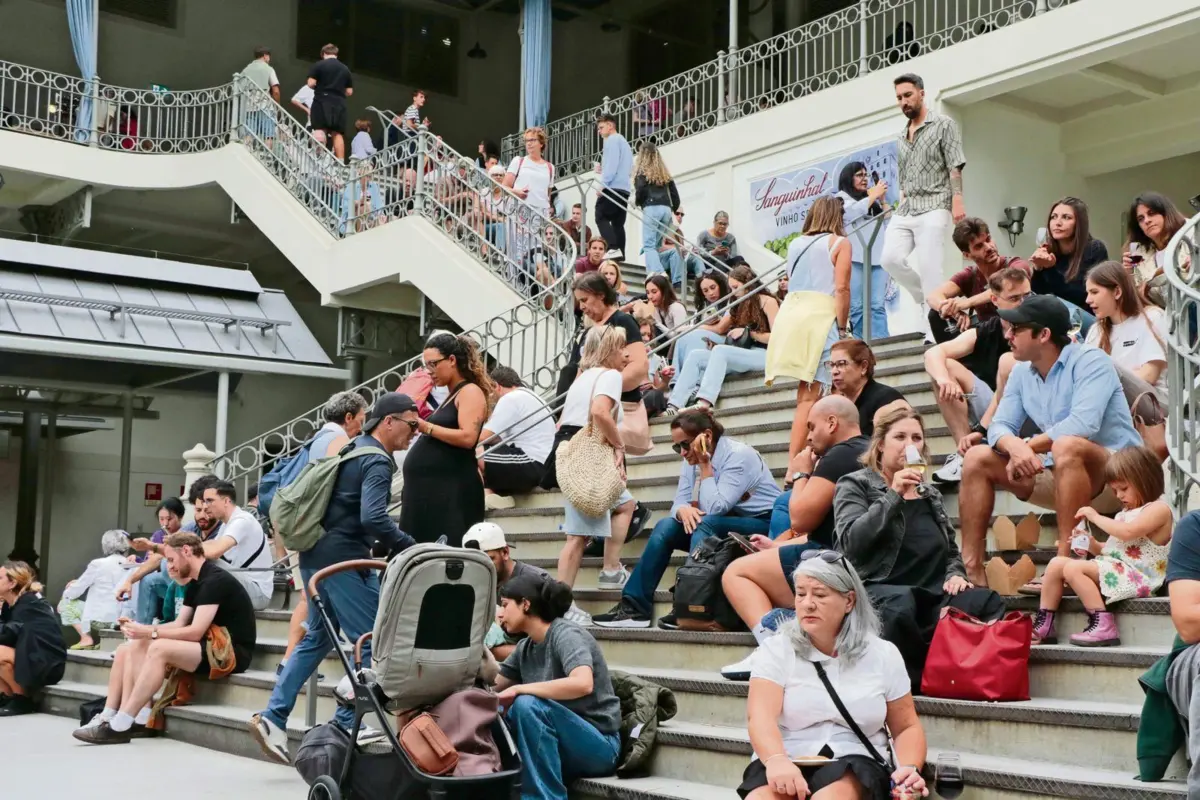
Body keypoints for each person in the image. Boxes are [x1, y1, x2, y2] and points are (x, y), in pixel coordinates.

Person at [250, 394, 419, 763]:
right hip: (342, 559)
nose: (414, 432)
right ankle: (346, 724)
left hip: (316, 552)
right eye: (412, 423)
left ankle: (274, 717)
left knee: (317, 637)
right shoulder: (376, 459)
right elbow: (374, 518)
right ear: (388, 421)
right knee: (374, 642)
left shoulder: (353, 447)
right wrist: (411, 546)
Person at [959, 296, 1142, 586]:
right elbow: (999, 426)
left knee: (1066, 445)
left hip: (1120, 477)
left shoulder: (1091, 360)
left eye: (1016, 329)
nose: (1007, 335)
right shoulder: (1020, 372)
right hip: (1062, 473)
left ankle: (1065, 562)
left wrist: (1026, 446)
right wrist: (1014, 447)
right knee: (976, 459)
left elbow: (1083, 425)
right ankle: (971, 571)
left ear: (1043, 334)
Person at [739, 553, 928, 800]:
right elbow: (760, 717)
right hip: (787, 755)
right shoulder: (777, 649)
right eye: (800, 593)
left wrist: (909, 769)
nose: (807, 604)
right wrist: (776, 760)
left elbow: (906, 727)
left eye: (819, 595)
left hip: (855, 760)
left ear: (849, 601)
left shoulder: (882, 654)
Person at [834, 408, 987, 690]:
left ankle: (952, 675)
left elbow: (950, 550)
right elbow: (852, 544)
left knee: (982, 601)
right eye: (900, 437)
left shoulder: (930, 494)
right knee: (902, 606)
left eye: (917, 438)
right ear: (880, 444)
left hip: (930, 591)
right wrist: (893, 495)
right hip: (881, 587)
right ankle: (907, 686)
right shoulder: (855, 484)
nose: (910, 444)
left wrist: (956, 574)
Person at [720, 396, 869, 678]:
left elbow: (800, 519)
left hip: (832, 563)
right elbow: (829, 530)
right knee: (763, 562)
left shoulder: (839, 455)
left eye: (812, 428)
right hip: (849, 554)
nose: (809, 437)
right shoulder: (869, 449)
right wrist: (777, 546)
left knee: (736, 573)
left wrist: (800, 472)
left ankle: (774, 650)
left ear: (832, 423)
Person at [593, 408, 780, 629]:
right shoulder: (690, 458)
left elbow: (715, 507)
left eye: (684, 444)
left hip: (762, 525)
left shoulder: (739, 456)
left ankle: (688, 603)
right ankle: (635, 608)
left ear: (707, 436)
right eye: (676, 446)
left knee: (706, 522)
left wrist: (704, 464)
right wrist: (683, 511)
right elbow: (679, 501)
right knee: (666, 527)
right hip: (721, 525)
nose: (682, 452)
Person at [72, 532, 256, 742]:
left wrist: (151, 632)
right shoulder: (197, 582)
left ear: (186, 551)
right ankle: (121, 716)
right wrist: (140, 629)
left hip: (230, 652)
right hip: (211, 645)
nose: (169, 566)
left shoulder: (214, 581)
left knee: (158, 648)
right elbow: (179, 624)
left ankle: (121, 724)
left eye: (171, 559)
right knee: (129, 647)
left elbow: (195, 631)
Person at [495, 573, 622, 800]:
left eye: (504, 605)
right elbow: (492, 687)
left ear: (525, 604)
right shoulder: (525, 647)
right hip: (561, 743)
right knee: (501, 711)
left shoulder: (566, 633)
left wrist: (520, 689)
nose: (500, 613)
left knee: (526, 705)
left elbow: (582, 683)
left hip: (601, 747)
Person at [1032, 445, 1171, 647]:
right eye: (1115, 490)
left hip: (1139, 577)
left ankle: (1103, 624)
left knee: (1072, 568)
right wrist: (1092, 544)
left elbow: (1128, 533)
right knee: (1056, 564)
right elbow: (1114, 550)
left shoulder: (1159, 509)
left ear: (1145, 479)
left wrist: (1095, 516)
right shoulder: (1125, 513)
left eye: (1124, 488)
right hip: (1118, 569)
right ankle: (1045, 623)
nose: (1119, 495)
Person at [556, 326, 636, 620]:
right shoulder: (610, 376)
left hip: (575, 448)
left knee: (625, 504)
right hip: (590, 452)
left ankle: (611, 569)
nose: (626, 355)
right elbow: (601, 412)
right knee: (577, 537)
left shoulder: (583, 377)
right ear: (609, 351)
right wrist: (619, 445)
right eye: (621, 348)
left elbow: (563, 421)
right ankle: (562, 605)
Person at [769, 197, 851, 464]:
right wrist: (841, 326)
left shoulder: (795, 244)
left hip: (792, 317)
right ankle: (827, 456)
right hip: (821, 317)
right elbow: (841, 289)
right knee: (836, 387)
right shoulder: (840, 243)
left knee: (805, 396)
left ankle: (794, 463)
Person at [880, 74, 966, 317]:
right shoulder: (901, 136)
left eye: (908, 95)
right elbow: (904, 174)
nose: (903, 102)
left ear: (922, 93)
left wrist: (957, 200)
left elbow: (954, 165)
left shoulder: (943, 124)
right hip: (907, 208)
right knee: (890, 259)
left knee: (930, 268)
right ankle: (925, 297)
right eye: (899, 98)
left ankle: (933, 328)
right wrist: (903, 200)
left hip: (936, 204)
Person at [401, 332, 491, 547]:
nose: (429, 371)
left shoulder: (469, 391)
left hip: (451, 493)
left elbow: (468, 438)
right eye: (426, 365)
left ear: (451, 360)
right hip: (433, 493)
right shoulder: (450, 395)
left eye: (433, 364)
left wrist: (425, 426)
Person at [667, 265, 779, 415]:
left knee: (720, 351)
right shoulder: (738, 303)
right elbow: (722, 329)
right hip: (745, 352)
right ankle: (673, 406)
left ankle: (704, 402)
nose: (733, 292)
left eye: (735, 287)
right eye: (731, 288)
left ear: (748, 283)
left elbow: (778, 338)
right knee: (696, 355)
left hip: (765, 354)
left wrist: (749, 333)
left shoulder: (768, 301)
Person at [119, 482, 218, 625]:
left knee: (166, 563)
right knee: (149, 580)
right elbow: (158, 557)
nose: (202, 515)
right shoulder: (189, 528)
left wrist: (154, 547)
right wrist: (129, 581)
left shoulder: (225, 529)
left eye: (207, 510)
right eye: (197, 510)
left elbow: (210, 553)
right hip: (177, 582)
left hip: (203, 583)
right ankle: (141, 626)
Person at [926, 217, 1033, 343]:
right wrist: (956, 312)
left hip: (1016, 334)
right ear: (967, 255)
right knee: (935, 314)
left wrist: (966, 303)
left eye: (988, 239)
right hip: (987, 338)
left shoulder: (1015, 264)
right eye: (978, 246)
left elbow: (1005, 287)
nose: (988, 247)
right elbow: (932, 296)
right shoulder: (970, 275)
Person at [465, 522, 549, 661]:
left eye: (488, 559)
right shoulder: (473, 582)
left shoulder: (537, 581)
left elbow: (550, 648)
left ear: (505, 552)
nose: (481, 567)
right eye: (474, 561)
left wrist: (491, 650)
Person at [480, 366, 556, 509]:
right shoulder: (532, 397)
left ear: (496, 386)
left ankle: (487, 494)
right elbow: (498, 438)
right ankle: (498, 495)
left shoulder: (510, 398)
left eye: (490, 392)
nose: (491, 398)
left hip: (532, 463)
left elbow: (483, 437)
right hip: (543, 464)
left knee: (473, 450)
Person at [0, 562, 66, 716]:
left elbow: (9, 633)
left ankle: (22, 699)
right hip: (31, 655)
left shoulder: (29, 603)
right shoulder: (12, 604)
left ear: (12, 583)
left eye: (0, 577)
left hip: (46, 663)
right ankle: (7, 697)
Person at [836, 160, 890, 339]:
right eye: (859, 175)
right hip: (855, 259)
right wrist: (873, 195)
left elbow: (888, 222)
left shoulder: (872, 201)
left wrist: (882, 201)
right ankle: (860, 345)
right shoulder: (842, 198)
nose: (864, 179)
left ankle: (882, 341)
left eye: (866, 175)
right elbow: (851, 214)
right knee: (857, 306)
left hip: (878, 258)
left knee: (877, 305)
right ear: (848, 178)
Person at [200, 480, 274, 610]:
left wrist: (184, 551)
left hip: (257, 593)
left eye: (210, 500)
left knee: (207, 563)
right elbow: (210, 545)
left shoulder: (242, 521)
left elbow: (214, 551)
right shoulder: (227, 523)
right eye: (205, 501)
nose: (205, 506)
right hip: (245, 586)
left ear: (226, 501)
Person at [1029, 197, 1108, 311]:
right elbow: (1036, 296)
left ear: (1079, 223)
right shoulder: (1048, 252)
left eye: (1066, 217)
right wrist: (1038, 268)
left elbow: (1082, 297)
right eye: (1053, 217)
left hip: (1086, 316)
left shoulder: (1094, 249)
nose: (1058, 223)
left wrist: (1050, 269)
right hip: (1055, 317)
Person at [58, 529, 131, 650]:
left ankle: (85, 638)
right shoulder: (131, 565)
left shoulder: (98, 564)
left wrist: (68, 591)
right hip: (123, 619)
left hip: (100, 620)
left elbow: (76, 591)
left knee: (65, 602)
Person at [827, 338, 908, 439]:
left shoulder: (886, 399)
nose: (834, 371)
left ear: (863, 367)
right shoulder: (835, 404)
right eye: (832, 365)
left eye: (842, 364)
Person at [1125, 191, 1191, 306]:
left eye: (1152, 213)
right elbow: (1137, 301)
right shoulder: (1138, 254)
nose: (1147, 220)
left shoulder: (1191, 233)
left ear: (1165, 213)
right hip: (1167, 317)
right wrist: (1127, 274)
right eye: (1141, 219)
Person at [668, 270, 733, 379]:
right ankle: (676, 379)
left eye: (713, 287)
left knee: (694, 335)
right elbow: (695, 324)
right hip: (707, 334)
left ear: (720, 285)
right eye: (705, 290)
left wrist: (700, 326)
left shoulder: (730, 301)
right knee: (682, 337)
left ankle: (695, 380)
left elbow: (721, 328)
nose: (710, 293)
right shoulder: (702, 306)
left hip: (725, 337)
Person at [634, 141, 681, 277]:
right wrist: (672, 208)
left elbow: (641, 190)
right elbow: (675, 196)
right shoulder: (664, 175)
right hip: (666, 209)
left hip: (651, 207)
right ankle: (651, 272)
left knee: (648, 245)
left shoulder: (641, 173)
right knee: (655, 245)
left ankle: (658, 272)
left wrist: (638, 202)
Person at [594, 114, 634, 260]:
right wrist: (602, 170)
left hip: (613, 187)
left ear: (610, 126)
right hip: (624, 188)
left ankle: (613, 247)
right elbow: (628, 167)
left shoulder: (611, 140)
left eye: (601, 127)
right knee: (618, 223)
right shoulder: (624, 142)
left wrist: (602, 185)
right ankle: (620, 253)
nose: (599, 131)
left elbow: (611, 166)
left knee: (600, 215)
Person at [305, 43, 353, 159]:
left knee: (320, 129)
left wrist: (319, 86)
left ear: (323, 54)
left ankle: (318, 158)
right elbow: (349, 91)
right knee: (337, 133)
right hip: (339, 102)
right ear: (336, 54)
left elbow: (310, 83)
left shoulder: (319, 65)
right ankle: (340, 161)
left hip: (322, 99)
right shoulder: (345, 69)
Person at [505, 127, 555, 217]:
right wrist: (517, 192)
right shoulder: (518, 161)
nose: (529, 143)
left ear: (541, 143)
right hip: (520, 210)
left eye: (532, 140)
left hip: (541, 213)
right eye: (527, 141)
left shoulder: (550, 167)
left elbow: (547, 194)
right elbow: (504, 187)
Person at [241, 46, 280, 142]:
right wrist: (277, 105)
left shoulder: (246, 70)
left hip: (249, 107)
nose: (269, 59)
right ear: (265, 56)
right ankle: (268, 156)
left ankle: (247, 152)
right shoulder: (268, 69)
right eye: (269, 57)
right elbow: (276, 91)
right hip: (265, 106)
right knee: (269, 135)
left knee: (249, 134)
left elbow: (239, 88)